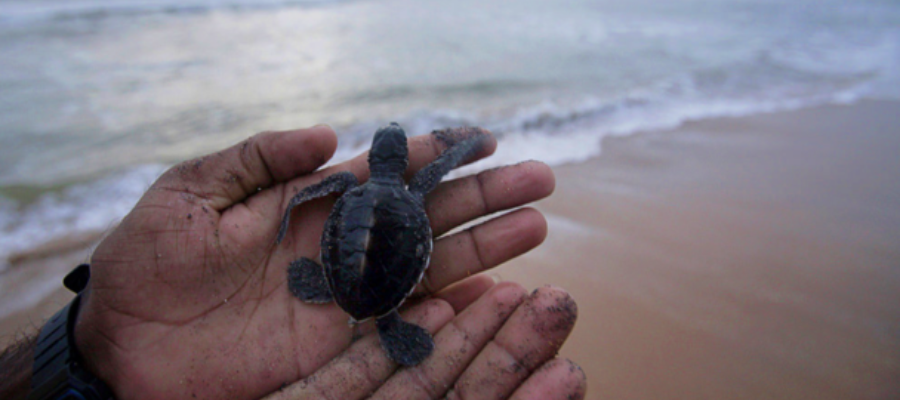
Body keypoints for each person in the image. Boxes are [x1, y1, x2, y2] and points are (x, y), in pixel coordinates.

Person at [0, 125, 586, 400]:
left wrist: (287, 221)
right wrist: (463, 146)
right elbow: (433, 172)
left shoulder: (346, 193)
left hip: (334, 275)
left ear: (379, 160)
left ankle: (351, 302)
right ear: (402, 165)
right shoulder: (417, 193)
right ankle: (387, 321)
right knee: (393, 299)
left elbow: (310, 196)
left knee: (338, 272)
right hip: (391, 269)